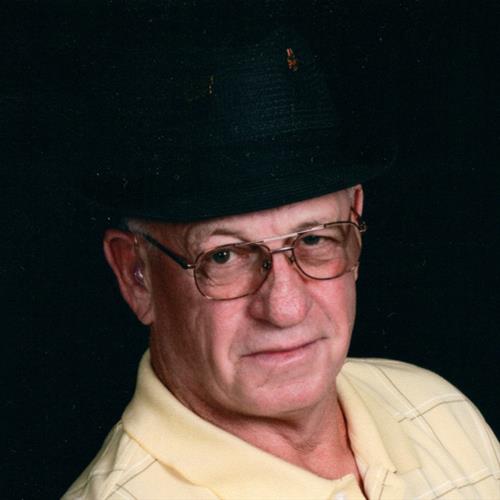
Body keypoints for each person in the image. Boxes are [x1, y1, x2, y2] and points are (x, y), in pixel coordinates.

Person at [64, 27, 499, 499]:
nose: (286, 309)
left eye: (313, 239)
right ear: (136, 275)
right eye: (224, 256)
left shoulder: (440, 411)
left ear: (355, 221)